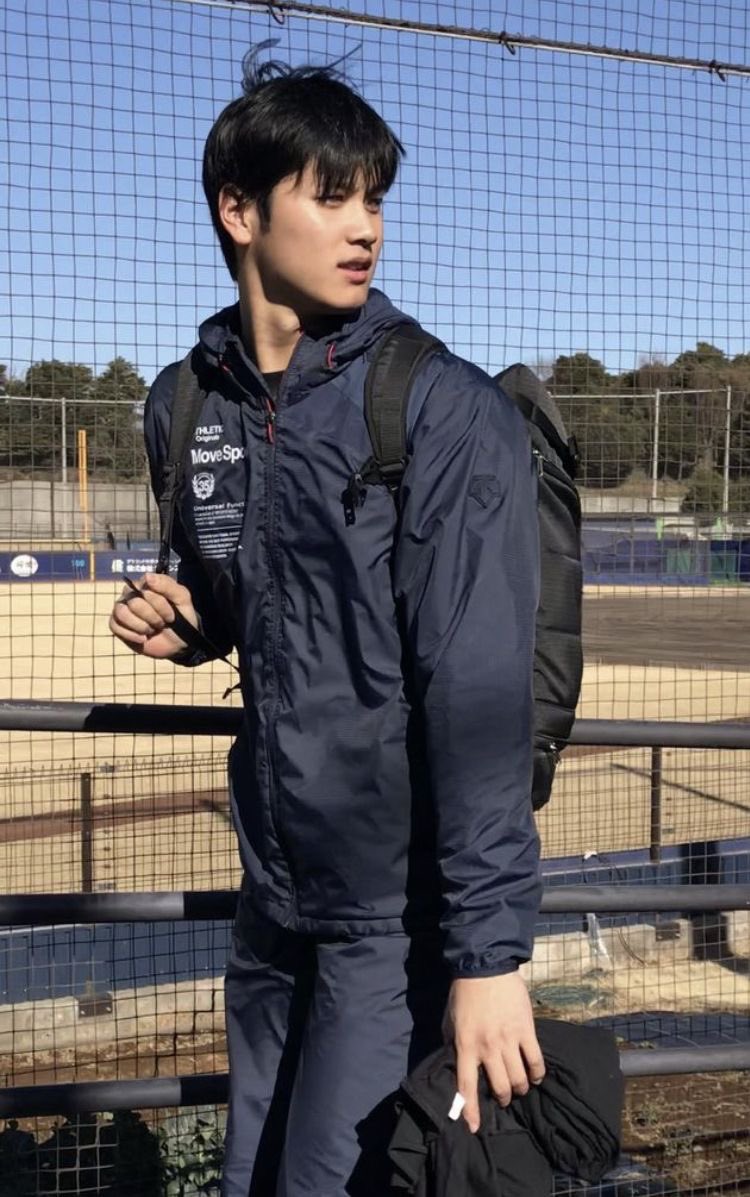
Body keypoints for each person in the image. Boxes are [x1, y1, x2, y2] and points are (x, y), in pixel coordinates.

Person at [109, 50, 544, 1197]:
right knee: (250, 1176)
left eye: (375, 199)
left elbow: (479, 694)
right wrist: (192, 625)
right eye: (334, 196)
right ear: (239, 211)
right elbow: (252, 603)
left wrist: (489, 954)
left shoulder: (439, 408)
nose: (367, 228)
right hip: (272, 896)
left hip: (394, 919)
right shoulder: (186, 403)